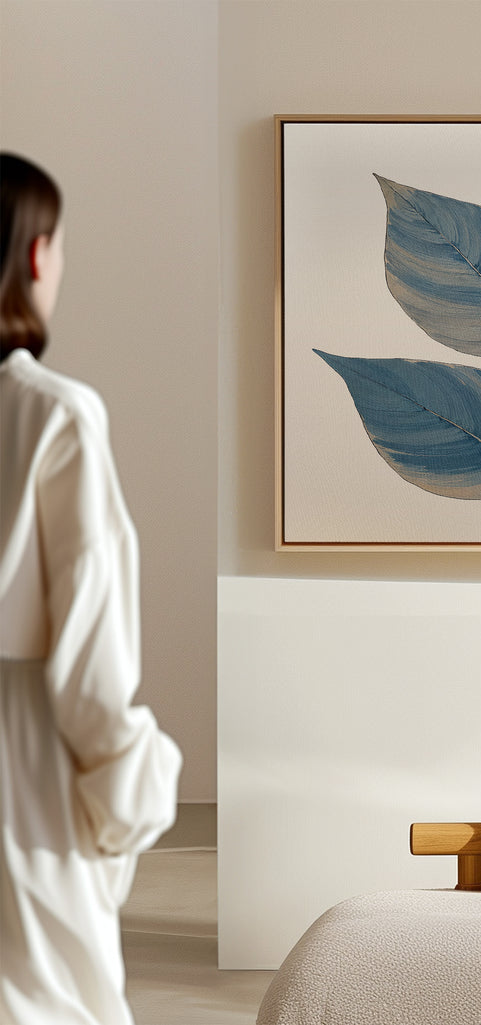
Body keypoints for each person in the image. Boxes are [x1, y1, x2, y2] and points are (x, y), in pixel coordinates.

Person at [0, 153, 182, 1025]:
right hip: (21, 770)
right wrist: (130, 789)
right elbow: (88, 662)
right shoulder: (53, 414)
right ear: (37, 253)